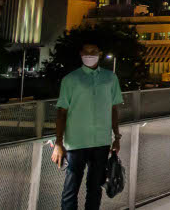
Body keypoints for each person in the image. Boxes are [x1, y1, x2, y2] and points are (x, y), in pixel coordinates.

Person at [51, 40, 123, 210]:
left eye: (94, 51)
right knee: (71, 188)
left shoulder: (110, 78)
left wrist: (117, 137)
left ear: (100, 53)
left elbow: (114, 109)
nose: (90, 54)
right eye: (86, 51)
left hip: (101, 142)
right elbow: (61, 112)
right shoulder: (70, 79)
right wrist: (58, 142)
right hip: (76, 142)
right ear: (81, 54)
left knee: (95, 188)